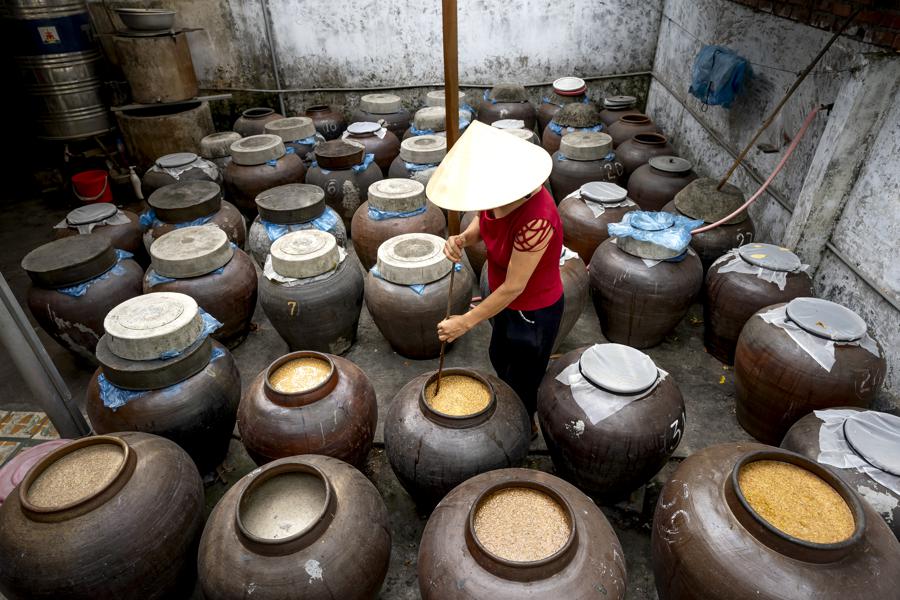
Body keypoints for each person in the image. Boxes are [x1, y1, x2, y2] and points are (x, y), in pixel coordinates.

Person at [425, 121, 563, 425]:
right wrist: (462, 239)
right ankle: (509, 415)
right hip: (500, 298)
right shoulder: (495, 196)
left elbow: (515, 286)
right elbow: (484, 223)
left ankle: (522, 428)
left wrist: (465, 322)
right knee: (500, 355)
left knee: (523, 377)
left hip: (533, 309)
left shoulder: (536, 220)